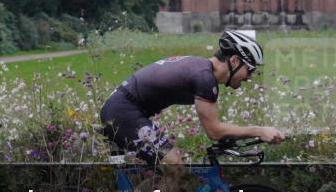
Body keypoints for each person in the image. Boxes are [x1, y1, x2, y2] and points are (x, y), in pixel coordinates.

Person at [100, 30, 284, 167]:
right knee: (176, 166)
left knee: (174, 171)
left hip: (124, 110)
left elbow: (215, 127)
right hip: (123, 113)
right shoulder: (204, 78)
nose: (250, 76)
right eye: (250, 69)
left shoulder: (202, 70)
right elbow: (214, 131)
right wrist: (259, 130)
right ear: (235, 61)